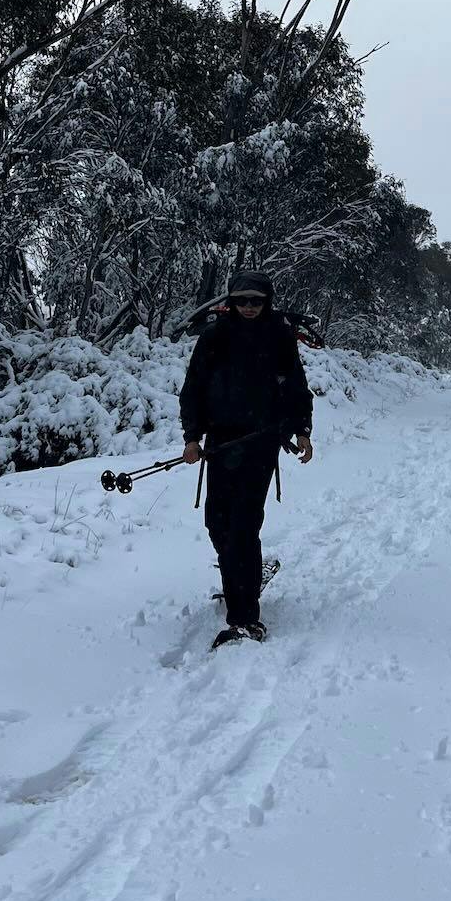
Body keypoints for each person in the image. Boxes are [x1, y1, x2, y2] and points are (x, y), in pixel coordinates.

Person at [179, 269, 313, 647]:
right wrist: (192, 437)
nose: (250, 307)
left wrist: (302, 431)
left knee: (242, 526)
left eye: (256, 300)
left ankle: (243, 618)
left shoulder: (279, 336)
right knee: (216, 523)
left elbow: (298, 387)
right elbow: (193, 390)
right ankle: (245, 577)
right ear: (231, 302)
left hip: (262, 443)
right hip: (221, 443)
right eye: (242, 300)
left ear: (266, 301)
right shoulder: (214, 337)